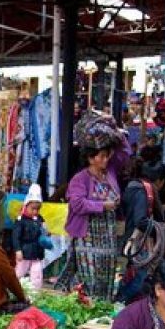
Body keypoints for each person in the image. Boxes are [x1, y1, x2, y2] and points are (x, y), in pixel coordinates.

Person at [65, 115, 131, 301]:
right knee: (90, 279)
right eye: (101, 156)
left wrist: (115, 129)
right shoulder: (80, 179)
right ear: (90, 158)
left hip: (108, 238)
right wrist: (104, 205)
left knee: (107, 276)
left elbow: (125, 153)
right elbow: (77, 204)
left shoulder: (109, 172)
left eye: (107, 155)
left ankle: (104, 310)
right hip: (87, 239)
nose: (105, 160)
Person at [11, 184, 49, 290]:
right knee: (19, 272)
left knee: (37, 274)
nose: (35, 212)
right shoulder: (20, 220)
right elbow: (15, 237)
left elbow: (43, 231)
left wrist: (46, 232)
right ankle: (14, 289)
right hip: (24, 252)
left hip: (37, 252)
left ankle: (35, 294)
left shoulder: (39, 218)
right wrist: (18, 250)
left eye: (37, 209)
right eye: (33, 209)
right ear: (26, 205)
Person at [122, 163, 165, 248]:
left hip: (127, 239)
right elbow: (141, 222)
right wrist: (162, 231)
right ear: (159, 181)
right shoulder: (141, 191)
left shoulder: (133, 187)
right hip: (135, 244)